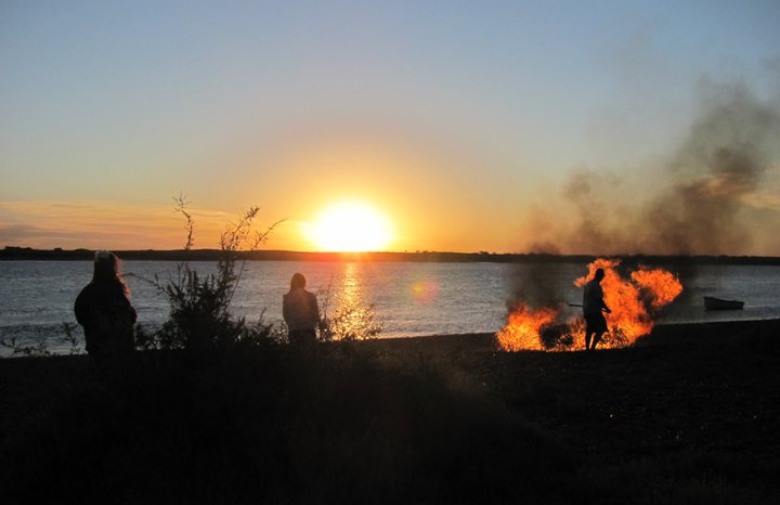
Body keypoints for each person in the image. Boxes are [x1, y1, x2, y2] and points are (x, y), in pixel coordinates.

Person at [74, 250, 136, 360]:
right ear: (114, 267)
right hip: (120, 347)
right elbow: (131, 316)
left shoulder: (88, 293)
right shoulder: (118, 291)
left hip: (103, 347)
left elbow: (80, 315)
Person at [283, 272, 320, 345]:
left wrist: (291, 324)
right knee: (309, 353)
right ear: (304, 282)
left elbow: (286, 315)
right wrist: (313, 323)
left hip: (293, 330)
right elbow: (316, 314)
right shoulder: (311, 296)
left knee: (296, 354)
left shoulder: (287, 297)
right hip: (308, 329)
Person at [582, 268, 611, 350]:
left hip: (586, 310)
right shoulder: (597, 286)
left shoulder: (588, 284)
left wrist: (585, 307)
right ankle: (592, 347)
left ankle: (587, 348)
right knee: (602, 328)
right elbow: (599, 300)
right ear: (600, 276)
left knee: (590, 329)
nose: (602, 278)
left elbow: (585, 297)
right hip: (594, 311)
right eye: (602, 276)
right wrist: (607, 309)